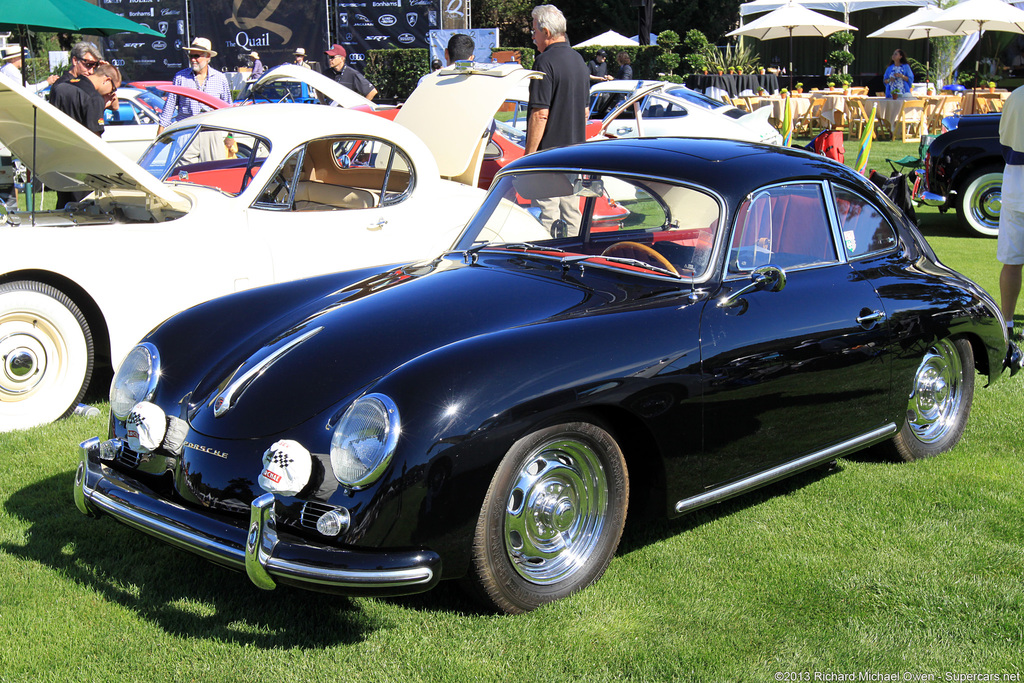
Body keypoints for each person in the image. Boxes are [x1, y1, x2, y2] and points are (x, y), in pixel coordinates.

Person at [525, 4, 590, 236]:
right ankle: (574, 261)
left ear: (547, 32)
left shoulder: (544, 62)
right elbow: (584, 112)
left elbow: (540, 113)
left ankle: (545, 266)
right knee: (572, 214)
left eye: (534, 31)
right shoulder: (579, 62)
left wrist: (529, 155)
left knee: (546, 217)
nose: (533, 36)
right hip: (574, 154)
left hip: (548, 157)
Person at [50, 63, 121, 208]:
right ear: (106, 80)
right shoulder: (94, 97)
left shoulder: (61, 87)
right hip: (83, 165)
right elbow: (94, 139)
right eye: (113, 89)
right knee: (83, 209)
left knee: (63, 206)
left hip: (60, 159)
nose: (111, 93)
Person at [157, 38, 233, 136]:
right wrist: (160, 132)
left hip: (212, 132)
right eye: (191, 56)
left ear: (208, 57)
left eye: (197, 56)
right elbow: (169, 106)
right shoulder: (180, 77)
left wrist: (230, 136)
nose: (193, 60)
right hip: (186, 133)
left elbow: (228, 109)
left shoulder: (220, 78)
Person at [998, 84, 1024, 339]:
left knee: (1012, 261)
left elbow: (1004, 142)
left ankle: (1006, 321)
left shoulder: (1015, 96)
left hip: (1015, 182)